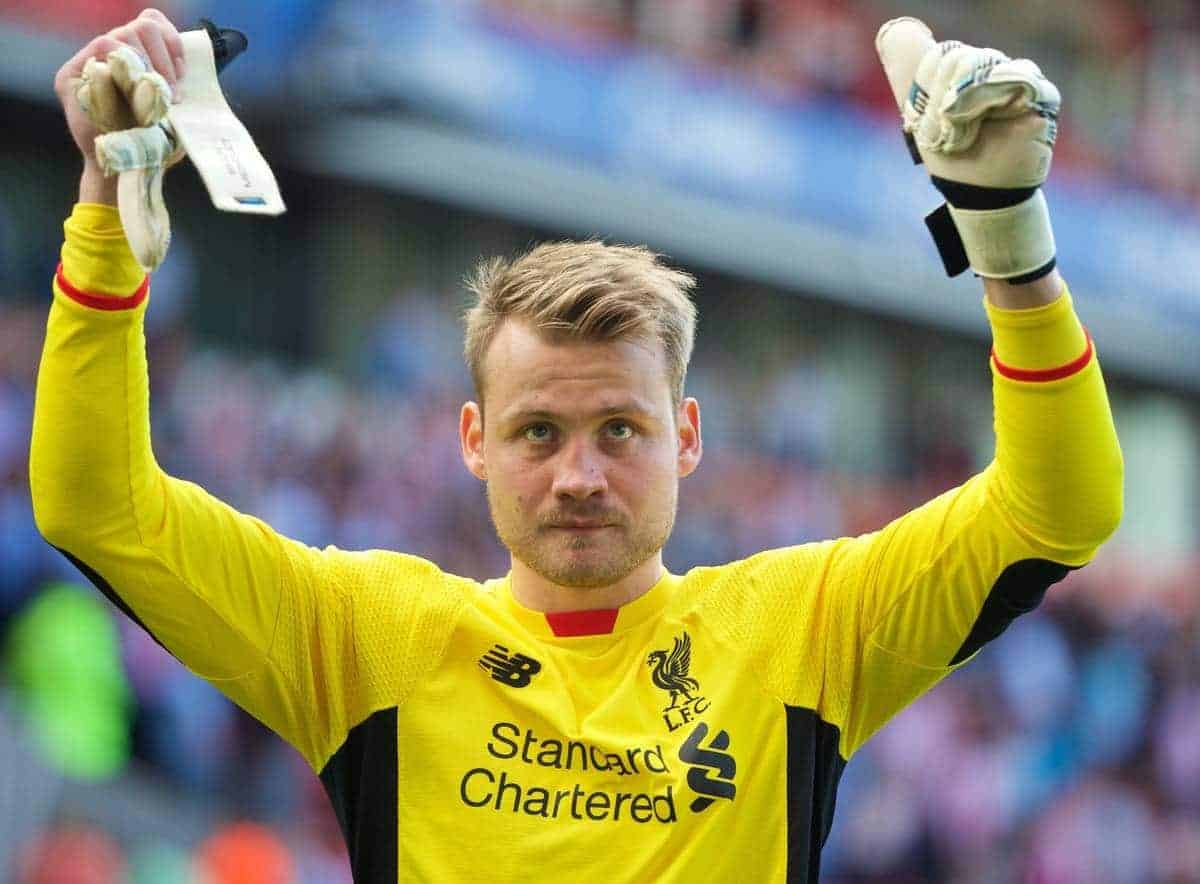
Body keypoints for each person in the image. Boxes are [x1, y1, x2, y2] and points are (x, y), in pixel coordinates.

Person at [30, 9, 1123, 883]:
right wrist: (102, 219)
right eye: (538, 431)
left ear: (687, 437)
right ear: (473, 440)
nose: (580, 474)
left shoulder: (800, 630)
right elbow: (96, 506)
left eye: (622, 430)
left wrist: (1011, 245)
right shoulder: (372, 635)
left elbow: (1055, 509)